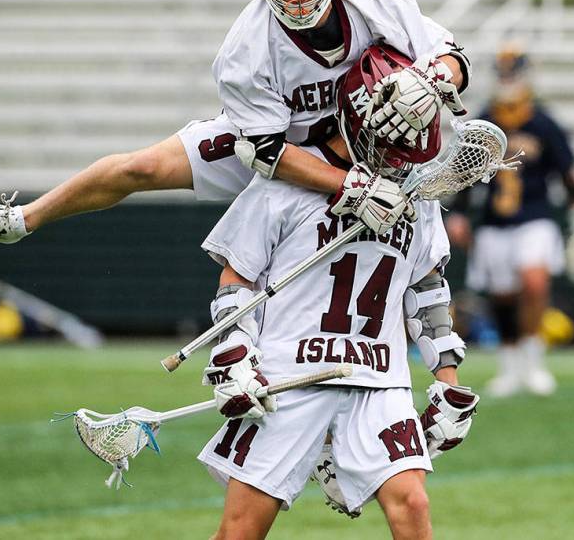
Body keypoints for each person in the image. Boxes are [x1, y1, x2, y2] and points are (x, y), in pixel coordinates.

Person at [0, 0, 470, 242]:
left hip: (375, 149)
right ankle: (20, 219)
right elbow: (267, 153)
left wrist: (430, 80)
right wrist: (348, 189)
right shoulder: (247, 47)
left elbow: (454, 58)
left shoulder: (377, 2)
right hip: (288, 145)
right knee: (142, 167)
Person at [197, 44, 479, 539]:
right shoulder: (285, 185)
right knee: (240, 530)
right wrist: (235, 353)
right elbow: (236, 276)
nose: (402, 150)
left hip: (378, 375)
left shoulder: (416, 194)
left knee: (411, 502)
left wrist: (448, 377)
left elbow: (426, 289)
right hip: (290, 372)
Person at [445, 43, 574, 397]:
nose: (508, 81)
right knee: (503, 295)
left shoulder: (543, 122)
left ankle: (533, 360)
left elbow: (566, 171)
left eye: (513, 74)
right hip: (494, 221)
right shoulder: (486, 121)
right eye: (504, 74)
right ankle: (510, 365)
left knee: (534, 281)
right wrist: (459, 213)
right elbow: (465, 172)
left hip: (535, 216)